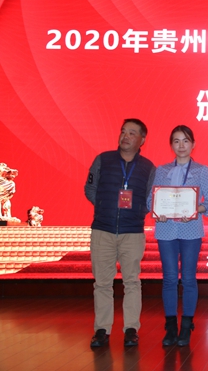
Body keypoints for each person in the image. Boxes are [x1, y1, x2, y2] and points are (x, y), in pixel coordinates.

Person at [84, 118, 156, 348]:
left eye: (132, 133)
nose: (125, 136)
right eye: (123, 131)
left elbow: (150, 198)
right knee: (102, 283)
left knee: (132, 281)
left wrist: (137, 211)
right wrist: (104, 206)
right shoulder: (103, 160)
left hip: (132, 232)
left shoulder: (148, 167)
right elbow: (90, 188)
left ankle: (131, 329)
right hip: (102, 229)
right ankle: (102, 330)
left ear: (142, 140)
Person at [147, 125, 208, 346]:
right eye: (176, 141)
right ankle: (170, 327)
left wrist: (197, 209)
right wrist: (156, 211)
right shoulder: (161, 170)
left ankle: (186, 326)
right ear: (171, 145)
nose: (181, 145)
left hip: (191, 230)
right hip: (166, 229)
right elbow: (151, 200)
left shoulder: (202, 170)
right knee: (169, 278)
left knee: (188, 278)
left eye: (185, 141)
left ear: (193, 144)